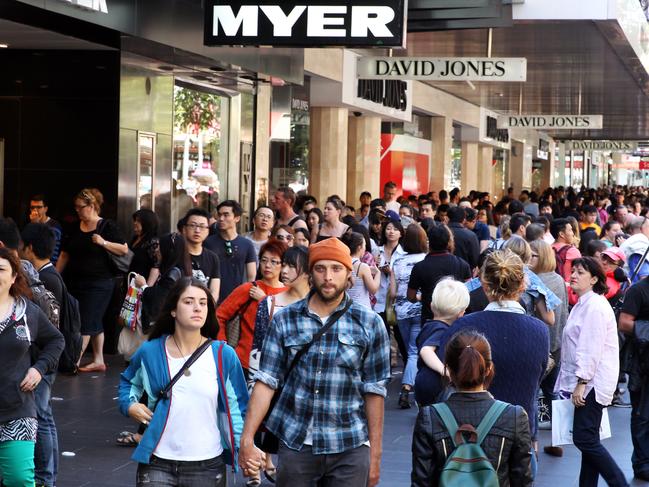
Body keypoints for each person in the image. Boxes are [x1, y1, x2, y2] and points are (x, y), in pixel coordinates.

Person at [238, 237, 390, 486]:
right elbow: (266, 381)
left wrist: (375, 456)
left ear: (348, 273)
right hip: (297, 444)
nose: (328, 276)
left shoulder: (370, 323)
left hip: (349, 444)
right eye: (320, 268)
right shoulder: (285, 319)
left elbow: (374, 392)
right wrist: (247, 438)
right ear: (310, 273)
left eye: (336, 268)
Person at [118, 278, 248, 487]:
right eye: (188, 302)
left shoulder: (223, 355)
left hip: (208, 466)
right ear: (173, 310)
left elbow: (238, 407)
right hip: (157, 461)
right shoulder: (150, 351)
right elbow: (128, 383)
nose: (197, 308)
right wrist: (130, 404)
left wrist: (243, 447)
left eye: (203, 302)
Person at [438, 250, 549, 470]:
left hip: (467, 440)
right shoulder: (540, 331)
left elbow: (447, 375)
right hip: (518, 439)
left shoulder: (464, 326)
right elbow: (537, 378)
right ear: (523, 284)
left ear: (484, 284)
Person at [411, 330, 533, 487]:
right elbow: (523, 480)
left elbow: (421, 481)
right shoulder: (514, 416)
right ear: (488, 369)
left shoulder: (429, 417)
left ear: (449, 370)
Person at [555, 257, 628, 486]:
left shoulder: (594, 305)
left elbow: (589, 346)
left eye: (580, 272)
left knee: (585, 439)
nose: (573, 275)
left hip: (593, 383)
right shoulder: (584, 303)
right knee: (589, 439)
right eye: (573, 271)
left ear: (594, 279)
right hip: (590, 380)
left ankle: (618, 482)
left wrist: (581, 382)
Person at [0, 247, 64, 487]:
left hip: (17, 411)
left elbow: (56, 341)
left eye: (1, 270)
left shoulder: (27, 312)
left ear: (14, 276)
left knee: (19, 479)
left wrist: (39, 368)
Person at [247, 246, 310, 485]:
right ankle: (267, 461)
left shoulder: (319, 305)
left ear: (306, 271)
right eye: (284, 264)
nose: (284, 270)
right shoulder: (269, 303)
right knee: (271, 426)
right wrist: (255, 383)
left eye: (291, 266)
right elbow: (258, 347)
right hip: (275, 380)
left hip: (305, 384)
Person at [56, 188, 128, 372]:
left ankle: (74, 361)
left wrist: (103, 242)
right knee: (93, 320)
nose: (77, 211)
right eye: (76, 207)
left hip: (100, 283)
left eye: (81, 207)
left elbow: (124, 250)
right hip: (77, 281)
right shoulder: (74, 228)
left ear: (92, 206)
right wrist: (55, 274)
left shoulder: (107, 227)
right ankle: (98, 359)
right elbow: (65, 254)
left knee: (86, 321)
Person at [20, 223, 67, 487]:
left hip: (42, 362)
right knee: (43, 414)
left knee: (42, 416)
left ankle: (45, 476)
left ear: (28, 248)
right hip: (44, 361)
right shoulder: (50, 276)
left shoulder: (45, 279)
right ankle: (46, 475)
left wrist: (40, 365)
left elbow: (51, 331)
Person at [216, 240, 287, 374]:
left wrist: (264, 300)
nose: (267, 265)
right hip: (244, 362)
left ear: (283, 265)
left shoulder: (289, 292)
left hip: (275, 365)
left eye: (274, 261)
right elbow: (219, 315)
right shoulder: (249, 289)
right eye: (264, 260)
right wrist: (223, 347)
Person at [414, 278, 470, 407]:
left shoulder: (428, 326)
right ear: (461, 313)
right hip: (436, 384)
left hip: (423, 382)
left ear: (432, 306)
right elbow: (426, 350)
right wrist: (445, 371)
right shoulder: (441, 329)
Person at [389, 224, 427, 409]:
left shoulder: (397, 262)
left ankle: (409, 382)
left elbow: (393, 292)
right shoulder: (425, 259)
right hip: (420, 309)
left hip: (402, 311)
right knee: (415, 352)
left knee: (410, 351)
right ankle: (407, 387)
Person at [408, 224, 471, 324]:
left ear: (429, 242)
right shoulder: (462, 264)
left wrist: (421, 298)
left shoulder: (419, 267)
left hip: (430, 319)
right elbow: (469, 291)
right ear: (448, 242)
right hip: (456, 319)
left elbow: (410, 296)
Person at [205, 200, 257, 304]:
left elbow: (251, 276)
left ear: (237, 218)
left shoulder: (247, 244)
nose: (221, 219)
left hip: (237, 301)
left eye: (226, 215)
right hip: (211, 300)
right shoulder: (208, 242)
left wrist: (244, 299)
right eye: (219, 215)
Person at [341, 232, 380, 310]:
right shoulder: (362, 266)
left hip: (345, 308)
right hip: (361, 308)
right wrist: (378, 273)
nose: (365, 248)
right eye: (364, 245)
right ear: (359, 247)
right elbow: (373, 289)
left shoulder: (341, 265)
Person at [129, 209, 161, 286]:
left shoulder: (153, 241)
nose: (135, 223)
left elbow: (156, 266)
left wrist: (146, 288)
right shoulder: (135, 238)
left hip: (142, 284)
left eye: (138, 221)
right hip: (131, 281)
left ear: (147, 223)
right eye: (135, 220)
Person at [28, 194, 62, 265]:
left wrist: (35, 225)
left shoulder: (54, 226)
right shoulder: (30, 223)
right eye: (32, 207)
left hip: (47, 266)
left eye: (39, 207)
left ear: (46, 209)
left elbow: (45, 250)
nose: (35, 210)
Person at [447, 206, 480, 270]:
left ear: (448, 218)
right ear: (464, 219)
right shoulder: (471, 235)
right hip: (464, 275)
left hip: (441, 274)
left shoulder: (440, 231)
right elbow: (475, 260)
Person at [551, 217, 582, 282]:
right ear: (561, 234)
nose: (573, 234)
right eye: (570, 230)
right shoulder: (572, 251)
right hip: (567, 288)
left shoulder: (547, 248)